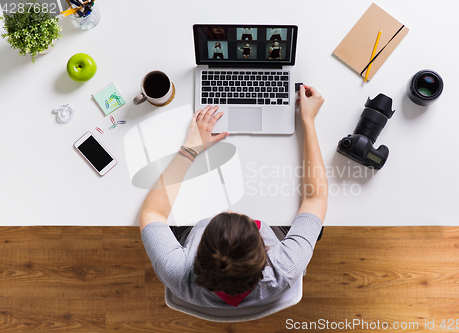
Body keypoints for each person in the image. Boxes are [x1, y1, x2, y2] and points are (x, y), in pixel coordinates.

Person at [140, 85, 327, 308]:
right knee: (309, 223)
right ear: (264, 254)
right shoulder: (286, 267)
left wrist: (191, 148)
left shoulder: (176, 271)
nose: (231, 210)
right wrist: (308, 120)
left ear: (198, 250)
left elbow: (153, 212)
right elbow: (316, 199)